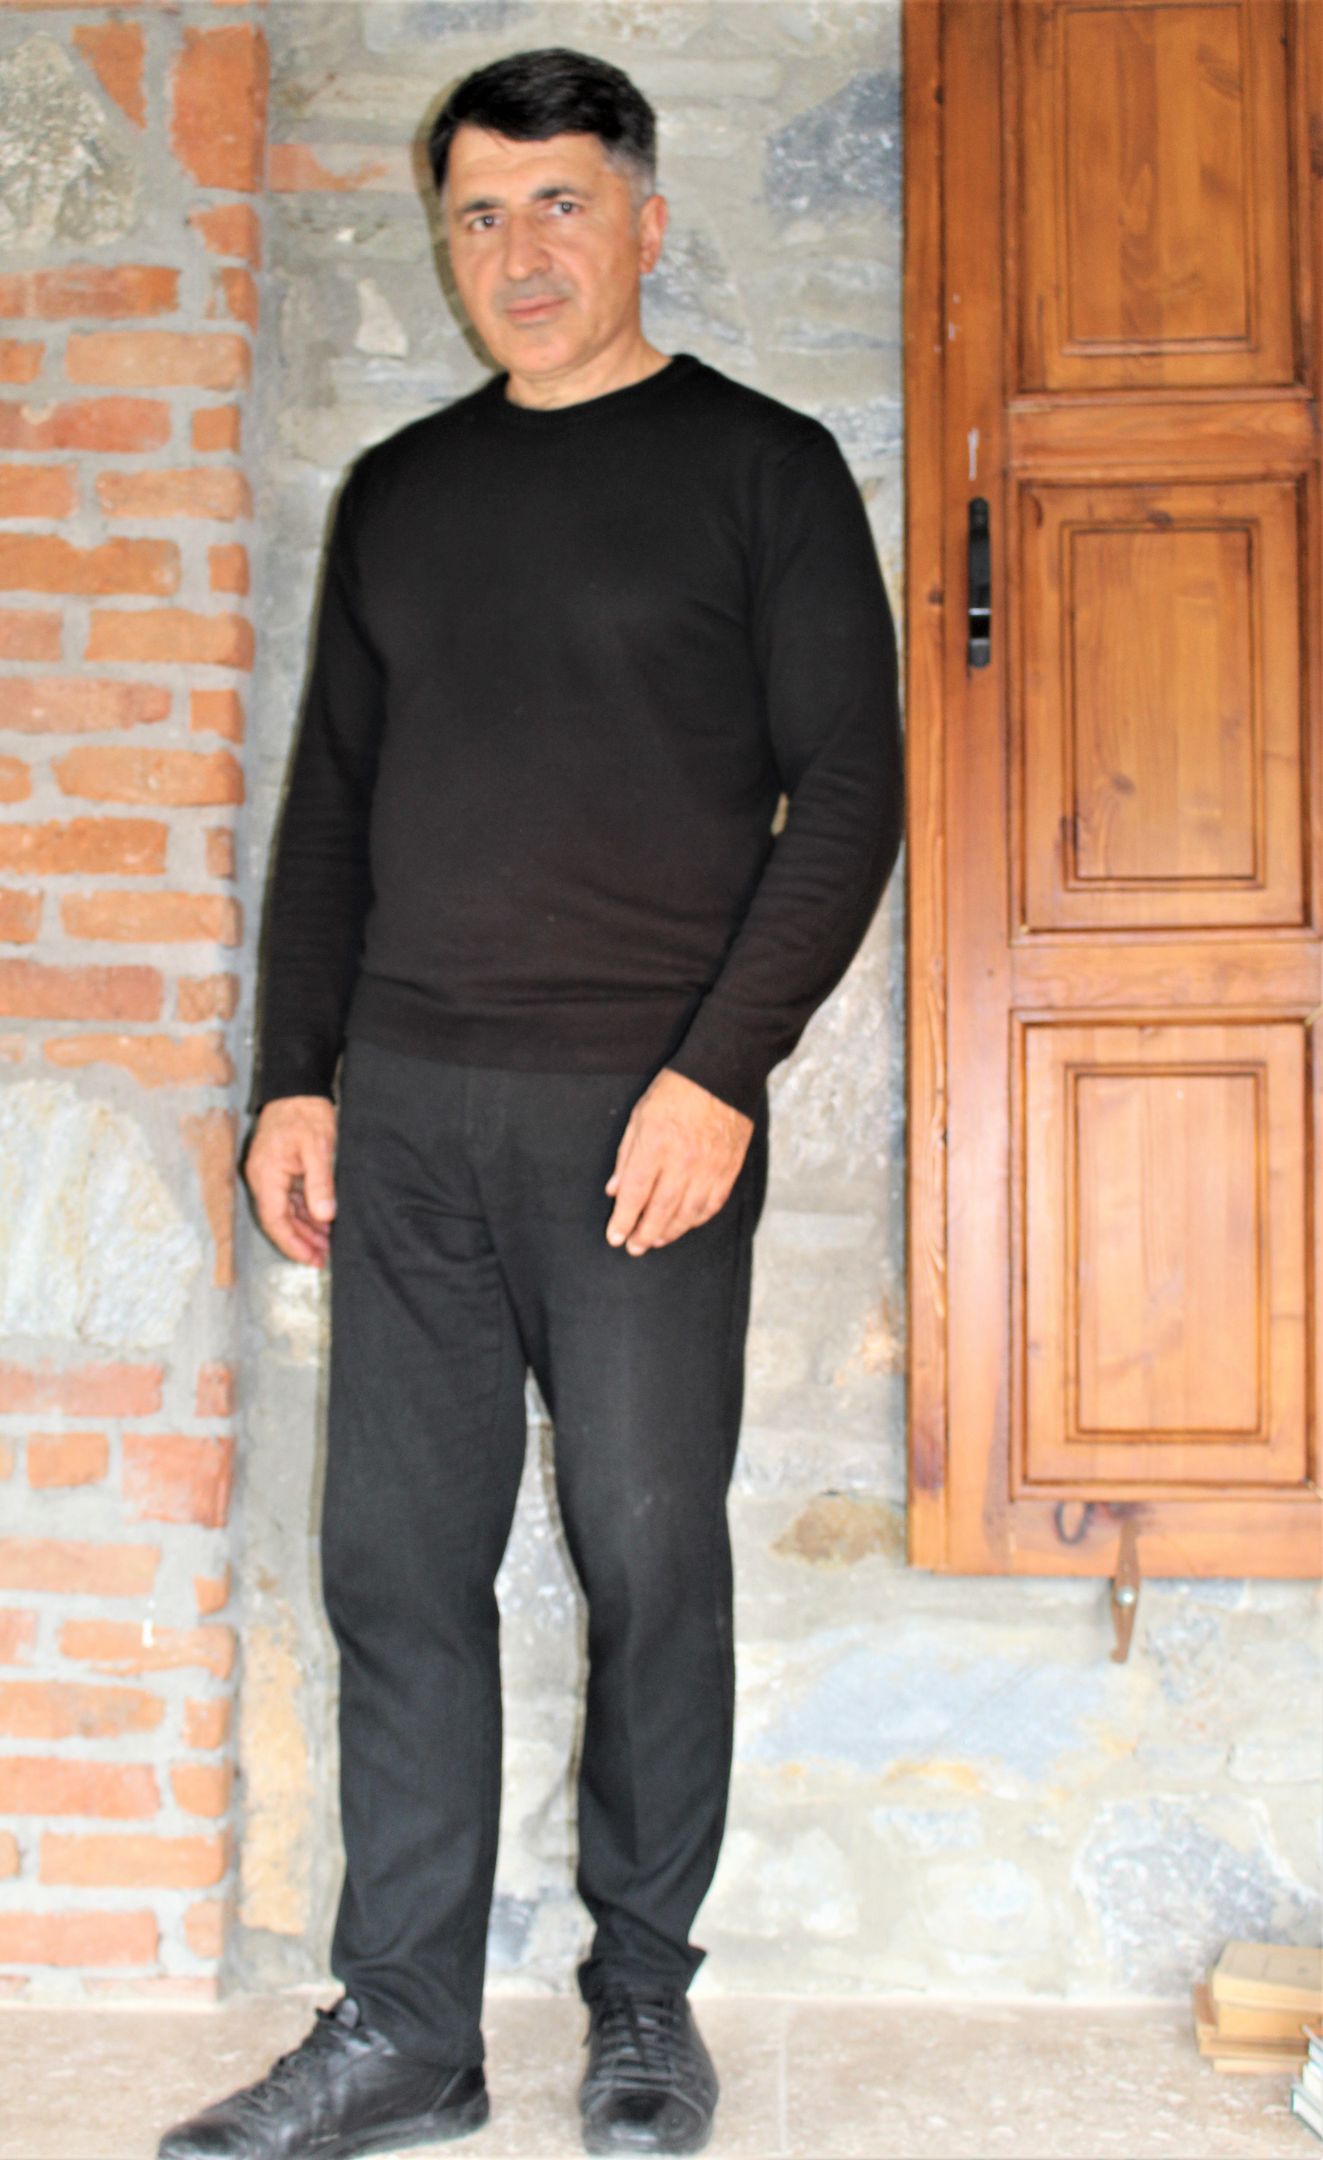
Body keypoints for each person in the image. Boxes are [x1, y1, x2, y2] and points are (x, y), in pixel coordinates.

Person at [157, 44, 903, 2160]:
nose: (521, 251)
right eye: (479, 215)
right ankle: (406, 2028)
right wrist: (294, 1082)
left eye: (560, 203)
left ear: (644, 220)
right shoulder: (403, 493)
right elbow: (330, 809)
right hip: (406, 1112)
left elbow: (851, 792)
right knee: (396, 1566)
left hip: (637, 1125)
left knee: (648, 1558)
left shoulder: (758, 470)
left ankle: (642, 2000)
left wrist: (717, 1074)